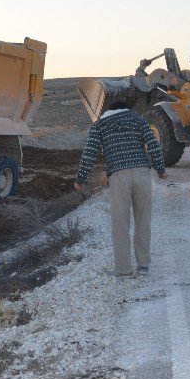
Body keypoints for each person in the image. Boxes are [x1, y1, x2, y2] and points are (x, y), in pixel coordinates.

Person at [75, 101, 166, 277]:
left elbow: (90, 152)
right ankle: (143, 266)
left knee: (121, 224)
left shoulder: (100, 125)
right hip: (142, 174)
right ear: (126, 108)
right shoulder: (138, 120)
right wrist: (161, 169)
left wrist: (80, 178)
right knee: (143, 222)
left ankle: (124, 270)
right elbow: (153, 144)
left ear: (109, 111)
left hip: (118, 176)